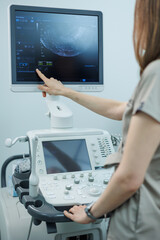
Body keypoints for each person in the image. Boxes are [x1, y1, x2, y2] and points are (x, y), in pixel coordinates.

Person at [36, 0, 160, 239]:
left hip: (138, 226)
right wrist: (66, 92)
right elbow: (121, 109)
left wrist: (91, 213)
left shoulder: (156, 73)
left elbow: (129, 178)